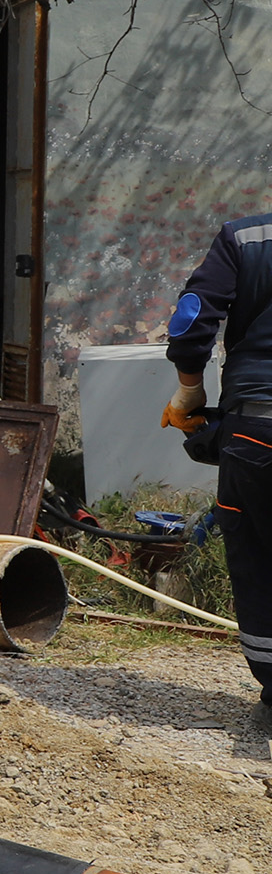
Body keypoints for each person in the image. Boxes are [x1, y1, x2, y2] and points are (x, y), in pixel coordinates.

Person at [165, 208, 272, 703]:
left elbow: (191, 322)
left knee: (256, 551)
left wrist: (190, 389)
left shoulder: (247, 237)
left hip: (257, 429)